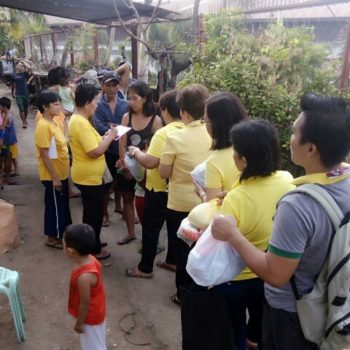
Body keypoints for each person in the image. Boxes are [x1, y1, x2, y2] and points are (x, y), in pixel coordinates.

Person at [212, 93, 350, 349]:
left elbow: (275, 274)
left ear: (311, 148)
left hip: (294, 314)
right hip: (336, 303)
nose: (290, 140)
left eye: (295, 133)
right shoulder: (344, 181)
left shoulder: (298, 205)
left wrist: (233, 234)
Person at [205, 119, 293, 349]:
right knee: (260, 322)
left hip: (237, 276)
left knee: (234, 329)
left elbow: (220, 237)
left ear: (243, 160)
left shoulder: (237, 197)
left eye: (235, 153)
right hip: (268, 271)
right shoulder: (287, 179)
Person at [159, 84, 212, 304]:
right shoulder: (216, 134)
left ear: (184, 113)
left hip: (180, 204)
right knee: (205, 247)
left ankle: (183, 293)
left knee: (183, 250)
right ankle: (202, 289)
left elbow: (164, 172)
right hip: (208, 203)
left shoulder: (175, 138)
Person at [125, 90, 184, 278]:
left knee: (151, 229)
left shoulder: (164, 133)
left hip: (158, 188)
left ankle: (145, 268)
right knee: (176, 230)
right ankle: (173, 261)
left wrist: (136, 152)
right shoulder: (193, 130)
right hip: (180, 191)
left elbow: (151, 161)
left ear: (165, 110)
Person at [69, 84, 118, 260]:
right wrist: (111, 138)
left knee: (91, 212)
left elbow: (93, 143)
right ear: (87, 102)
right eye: (96, 102)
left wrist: (104, 137)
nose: (97, 105)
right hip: (88, 177)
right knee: (93, 215)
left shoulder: (79, 120)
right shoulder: (81, 123)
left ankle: (92, 240)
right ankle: (92, 248)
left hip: (88, 175)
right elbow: (94, 152)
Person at [117, 80, 163, 245]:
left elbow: (157, 148)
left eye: (134, 98)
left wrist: (141, 165)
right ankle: (131, 233)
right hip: (128, 166)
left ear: (145, 98)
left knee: (146, 205)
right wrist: (125, 166)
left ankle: (150, 240)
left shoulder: (155, 120)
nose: (131, 102)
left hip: (146, 169)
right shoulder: (126, 117)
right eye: (129, 98)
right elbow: (122, 143)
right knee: (127, 199)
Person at [34, 90, 72, 249]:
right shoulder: (43, 126)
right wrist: (55, 177)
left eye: (59, 103)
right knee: (54, 205)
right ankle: (53, 237)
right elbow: (44, 154)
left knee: (62, 204)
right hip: (52, 174)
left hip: (61, 171)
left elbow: (63, 144)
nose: (59, 107)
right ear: (45, 106)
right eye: (55, 104)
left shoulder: (55, 122)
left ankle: (63, 232)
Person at [195, 92, 248, 202]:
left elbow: (213, 205)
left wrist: (201, 192)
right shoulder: (258, 147)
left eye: (205, 120)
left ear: (216, 124)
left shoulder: (215, 162)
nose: (204, 124)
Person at [93, 72, 129, 226]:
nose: (112, 88)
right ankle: (105, 215)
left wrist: (111, 127)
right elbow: (99, 126)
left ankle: (119, 206)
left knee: (122, 181)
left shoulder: (125, 104)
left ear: (118, 86)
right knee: (105, 185)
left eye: (115, 85)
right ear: (103, 86)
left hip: (121, 150)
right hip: (106, 150)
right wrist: (117, 129)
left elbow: (128, 125)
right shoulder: (98, 105)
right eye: (108, 85)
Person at [64, 223, 107, 350]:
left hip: (90, 318)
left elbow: (85, 303)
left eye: (64, 242)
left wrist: (80, 323)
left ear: (71, 251)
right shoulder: (91, 259)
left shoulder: (84, 276)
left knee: (94, 346)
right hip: (96, 311)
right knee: (95, 342)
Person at [0, 97, 18, 185]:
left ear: (4, 107)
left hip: (7, 140)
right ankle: (6, 176)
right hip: (8, 139)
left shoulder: (7, 116)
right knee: (8, 157)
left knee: (8, 157)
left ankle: (6, 176)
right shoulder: (10, 114)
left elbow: (2, 127)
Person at [11, 61, 31, 128]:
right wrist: (12, 92)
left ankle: (25, 119)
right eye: (20, 65)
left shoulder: (24, 74)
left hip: (26, 93)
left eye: (22, 66)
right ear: (16, 66)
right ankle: (24, 123)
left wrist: (23, 62)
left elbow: (30, 68)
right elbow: (13, 85)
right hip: (18, 94)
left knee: (26, 109)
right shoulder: (13, 75)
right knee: (21, 109)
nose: (21, 66)